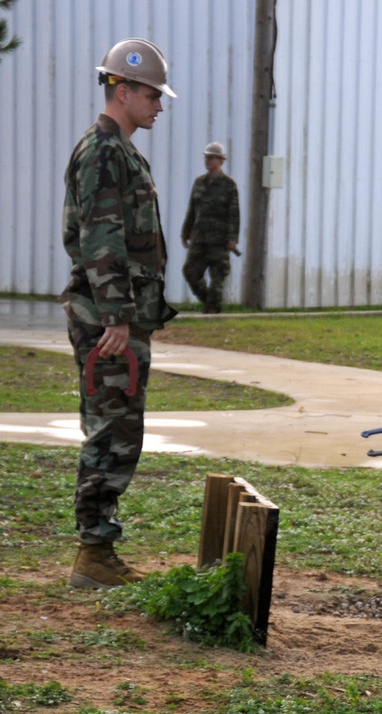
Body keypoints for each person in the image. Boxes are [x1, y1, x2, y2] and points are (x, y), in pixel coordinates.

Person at [60, 38, 178, 588]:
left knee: (118, 424)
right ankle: (94, 552)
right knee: (112, 428)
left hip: (118, 315)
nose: (159, 105)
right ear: (122, 90)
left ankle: (97, 548)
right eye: (152, 95)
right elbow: (101, 237)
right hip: (108, 321)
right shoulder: (105, 151)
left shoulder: (119, 149)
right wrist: (116, 316)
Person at [181, 141, 240, 313]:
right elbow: (192, 209)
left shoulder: (229, 185)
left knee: (217, 277)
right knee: (190, 271)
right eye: (206, 157)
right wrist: (185, 233)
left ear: (221, 161)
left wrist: (232, 238)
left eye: (212, 157)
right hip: (200, 238)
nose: (208, 161)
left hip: (219, 240)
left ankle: (213, 312)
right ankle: (210, 302)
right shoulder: (199, 183)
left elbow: (234, 213)